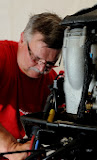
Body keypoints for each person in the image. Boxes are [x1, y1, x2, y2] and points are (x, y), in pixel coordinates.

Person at [0, 12, 65, 160]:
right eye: (35, 58)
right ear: (22, 39)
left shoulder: (51, 81)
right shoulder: (2, 56)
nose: (41, 69)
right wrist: (11, 147)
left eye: (49, 64)